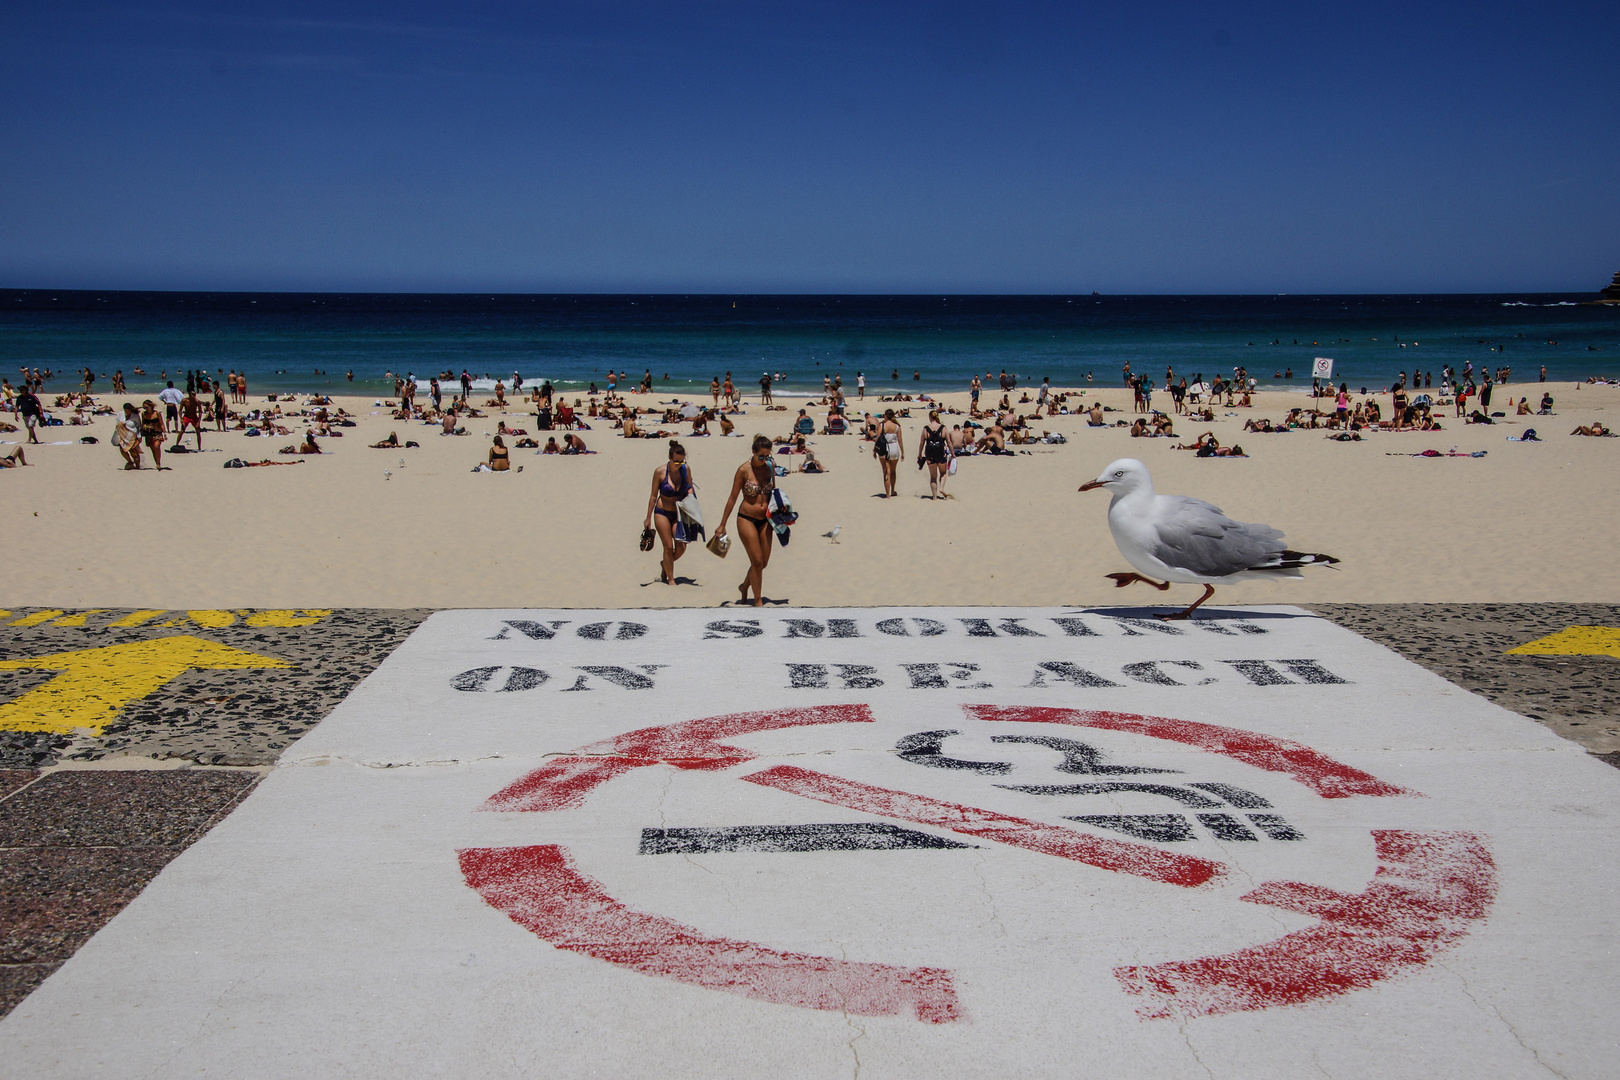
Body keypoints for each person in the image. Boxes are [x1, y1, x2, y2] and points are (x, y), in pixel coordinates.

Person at [716, 435, 776, 607]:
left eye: (767, 456)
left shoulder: (770, 467)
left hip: (766, 520)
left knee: (763, 563)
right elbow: (732, 498)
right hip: (746, 518)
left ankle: (744, 586)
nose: (764, 459)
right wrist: (722, 524)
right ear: (753, 452)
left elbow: (774, 492)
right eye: (761, 456)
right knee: (756, 561)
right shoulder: (744, 470)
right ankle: (758, 601)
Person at [644, 441, 696, 585]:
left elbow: (690, 487)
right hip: (662, 512)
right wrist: (648, 518)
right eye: (676, 461)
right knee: (667, 546)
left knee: (681, 546)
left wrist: (692, 503)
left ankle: (665, 564)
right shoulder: (660, 472)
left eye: (681, 461)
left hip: (679, 512)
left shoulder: (685, 470)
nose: (678, 464)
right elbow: (654, 496)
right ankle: (671, 579)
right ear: (669, 457)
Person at [918, 409, 950, 499]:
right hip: (940, 453)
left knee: (933, 477)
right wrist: (952, 453)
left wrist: (919, 454)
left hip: (930, 453)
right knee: (943, 473)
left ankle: (934, 497)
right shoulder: (943, 428)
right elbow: (949, 442)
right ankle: (942, 488)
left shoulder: (926, 428)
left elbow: (921, 442)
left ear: (930, 417)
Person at [874, 408, 903, 497]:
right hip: (894, 448)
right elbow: (900, 440)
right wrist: (903, 452)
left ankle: (887, 494)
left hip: (884, 449)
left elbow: (878, 439)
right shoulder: (897, 426)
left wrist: (874, 450)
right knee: (893, 471)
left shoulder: (882, 425)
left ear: (886, 416)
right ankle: (893, 490)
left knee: (886, 471)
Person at [139, 399, 166, 469]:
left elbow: (161, 423)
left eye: (147, 407)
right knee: (153, 449)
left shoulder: (157, 413)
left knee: (156, 446)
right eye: (144, 408)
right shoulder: (143, 414)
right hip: (149, 434)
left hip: (158, 432)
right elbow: (143, 423)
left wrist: (165, 433)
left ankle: (158, 463)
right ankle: (157, 463)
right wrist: (144, 427)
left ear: (151, 406)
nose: (145, 409)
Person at [115, 403, 143, 469]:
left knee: (133, 451)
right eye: (126, 411)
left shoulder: (135, 416)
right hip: (123, 435)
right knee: (122, 450)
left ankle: (137, 466)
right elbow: (117, 424)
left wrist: (139, 436)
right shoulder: (120, 414)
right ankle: (130, 462)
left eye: (128, 411)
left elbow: (139, 426)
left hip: (132, 435)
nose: (127, 412)